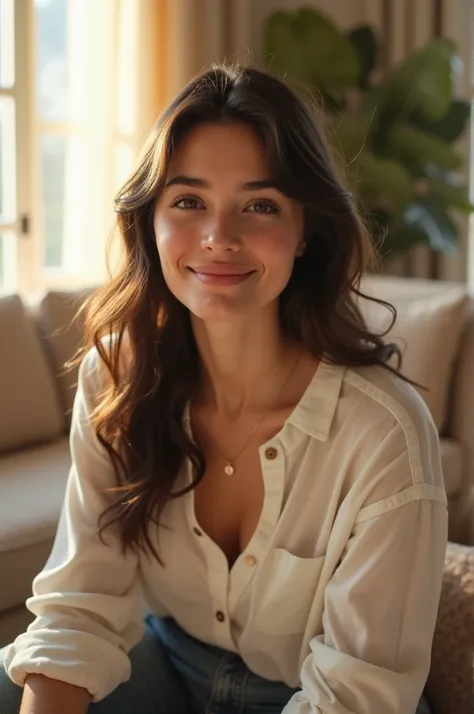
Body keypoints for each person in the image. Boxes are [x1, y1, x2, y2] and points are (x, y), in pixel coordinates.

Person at [0, 64, 446, 714]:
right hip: (169, 665)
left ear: (305, 232)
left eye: (259, 205)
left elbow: (354, 698)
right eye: (188, 201)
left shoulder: (383, 434)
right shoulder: (117, 379)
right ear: (150, 221)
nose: (219, 237)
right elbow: (79, 611)